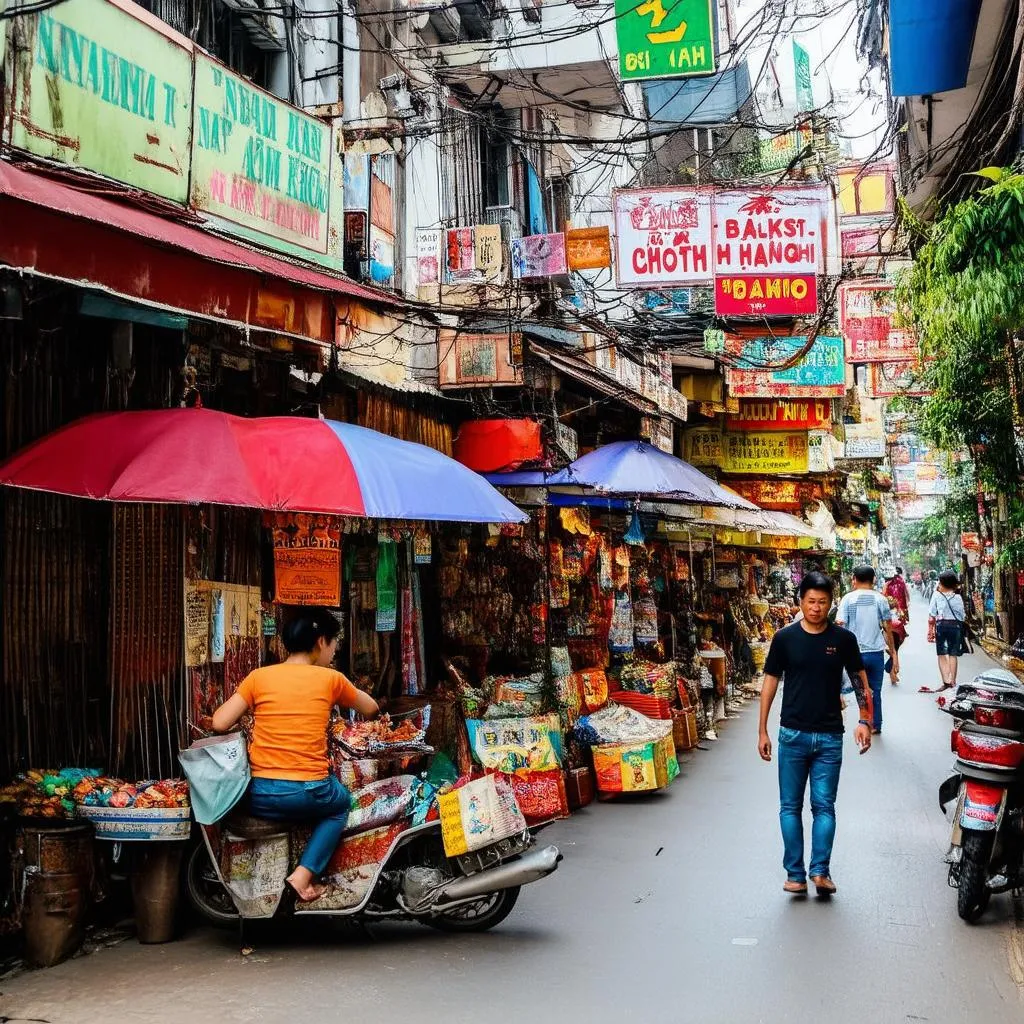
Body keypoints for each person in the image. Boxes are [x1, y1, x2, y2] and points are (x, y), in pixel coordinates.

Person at [212, 608, 380, 902]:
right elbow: (371, 709)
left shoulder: (258, 677)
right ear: (320, 642)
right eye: (333, 643)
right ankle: (303, 877)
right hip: (310, 792)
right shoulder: (331, 679)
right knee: (340, 804)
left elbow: (219, 722)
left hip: (259, 794)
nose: (334, 649)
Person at [758, 572, 873, 897]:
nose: (816, 607)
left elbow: (860, 681)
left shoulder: (843, 640)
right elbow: (770, 683)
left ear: (830, 603)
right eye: (811, 601)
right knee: (789, 807)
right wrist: (762, 729)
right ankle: (795, 874)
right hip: (791, 734)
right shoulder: (784, 638)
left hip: (829, 738)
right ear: (801, 601)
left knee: (824, 807)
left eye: (822, 602)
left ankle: (820, 871)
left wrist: (865, 720)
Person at [836, 565, 899, 732]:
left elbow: (840, 625)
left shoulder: (847, 599)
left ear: (854, 580)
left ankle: (864, 721)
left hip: (853, 654)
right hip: (876, 653)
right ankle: (875, 724)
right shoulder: (881, 599)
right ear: (874, 580)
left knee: (860, 690)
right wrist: (892, 652)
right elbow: (887, 626)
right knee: (875, 691)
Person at [920, 570, 969, 694]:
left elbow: (931, 615)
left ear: (943, 584)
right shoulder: (957, 597)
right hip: (955, 627)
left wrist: (929, 631)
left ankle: (946, 682)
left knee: (942, 654)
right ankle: (953, 681)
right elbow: (962, 616)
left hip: (941, 627)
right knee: (953, 654)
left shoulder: (936, 595)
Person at [882, 568, 909, 679]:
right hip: (897, 620)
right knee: (895, 647)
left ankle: (893, 668)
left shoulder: (886, 587)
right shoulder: (900, 582)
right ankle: (893, 670)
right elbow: (905, 599)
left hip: (889, 622)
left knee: (894, 648)